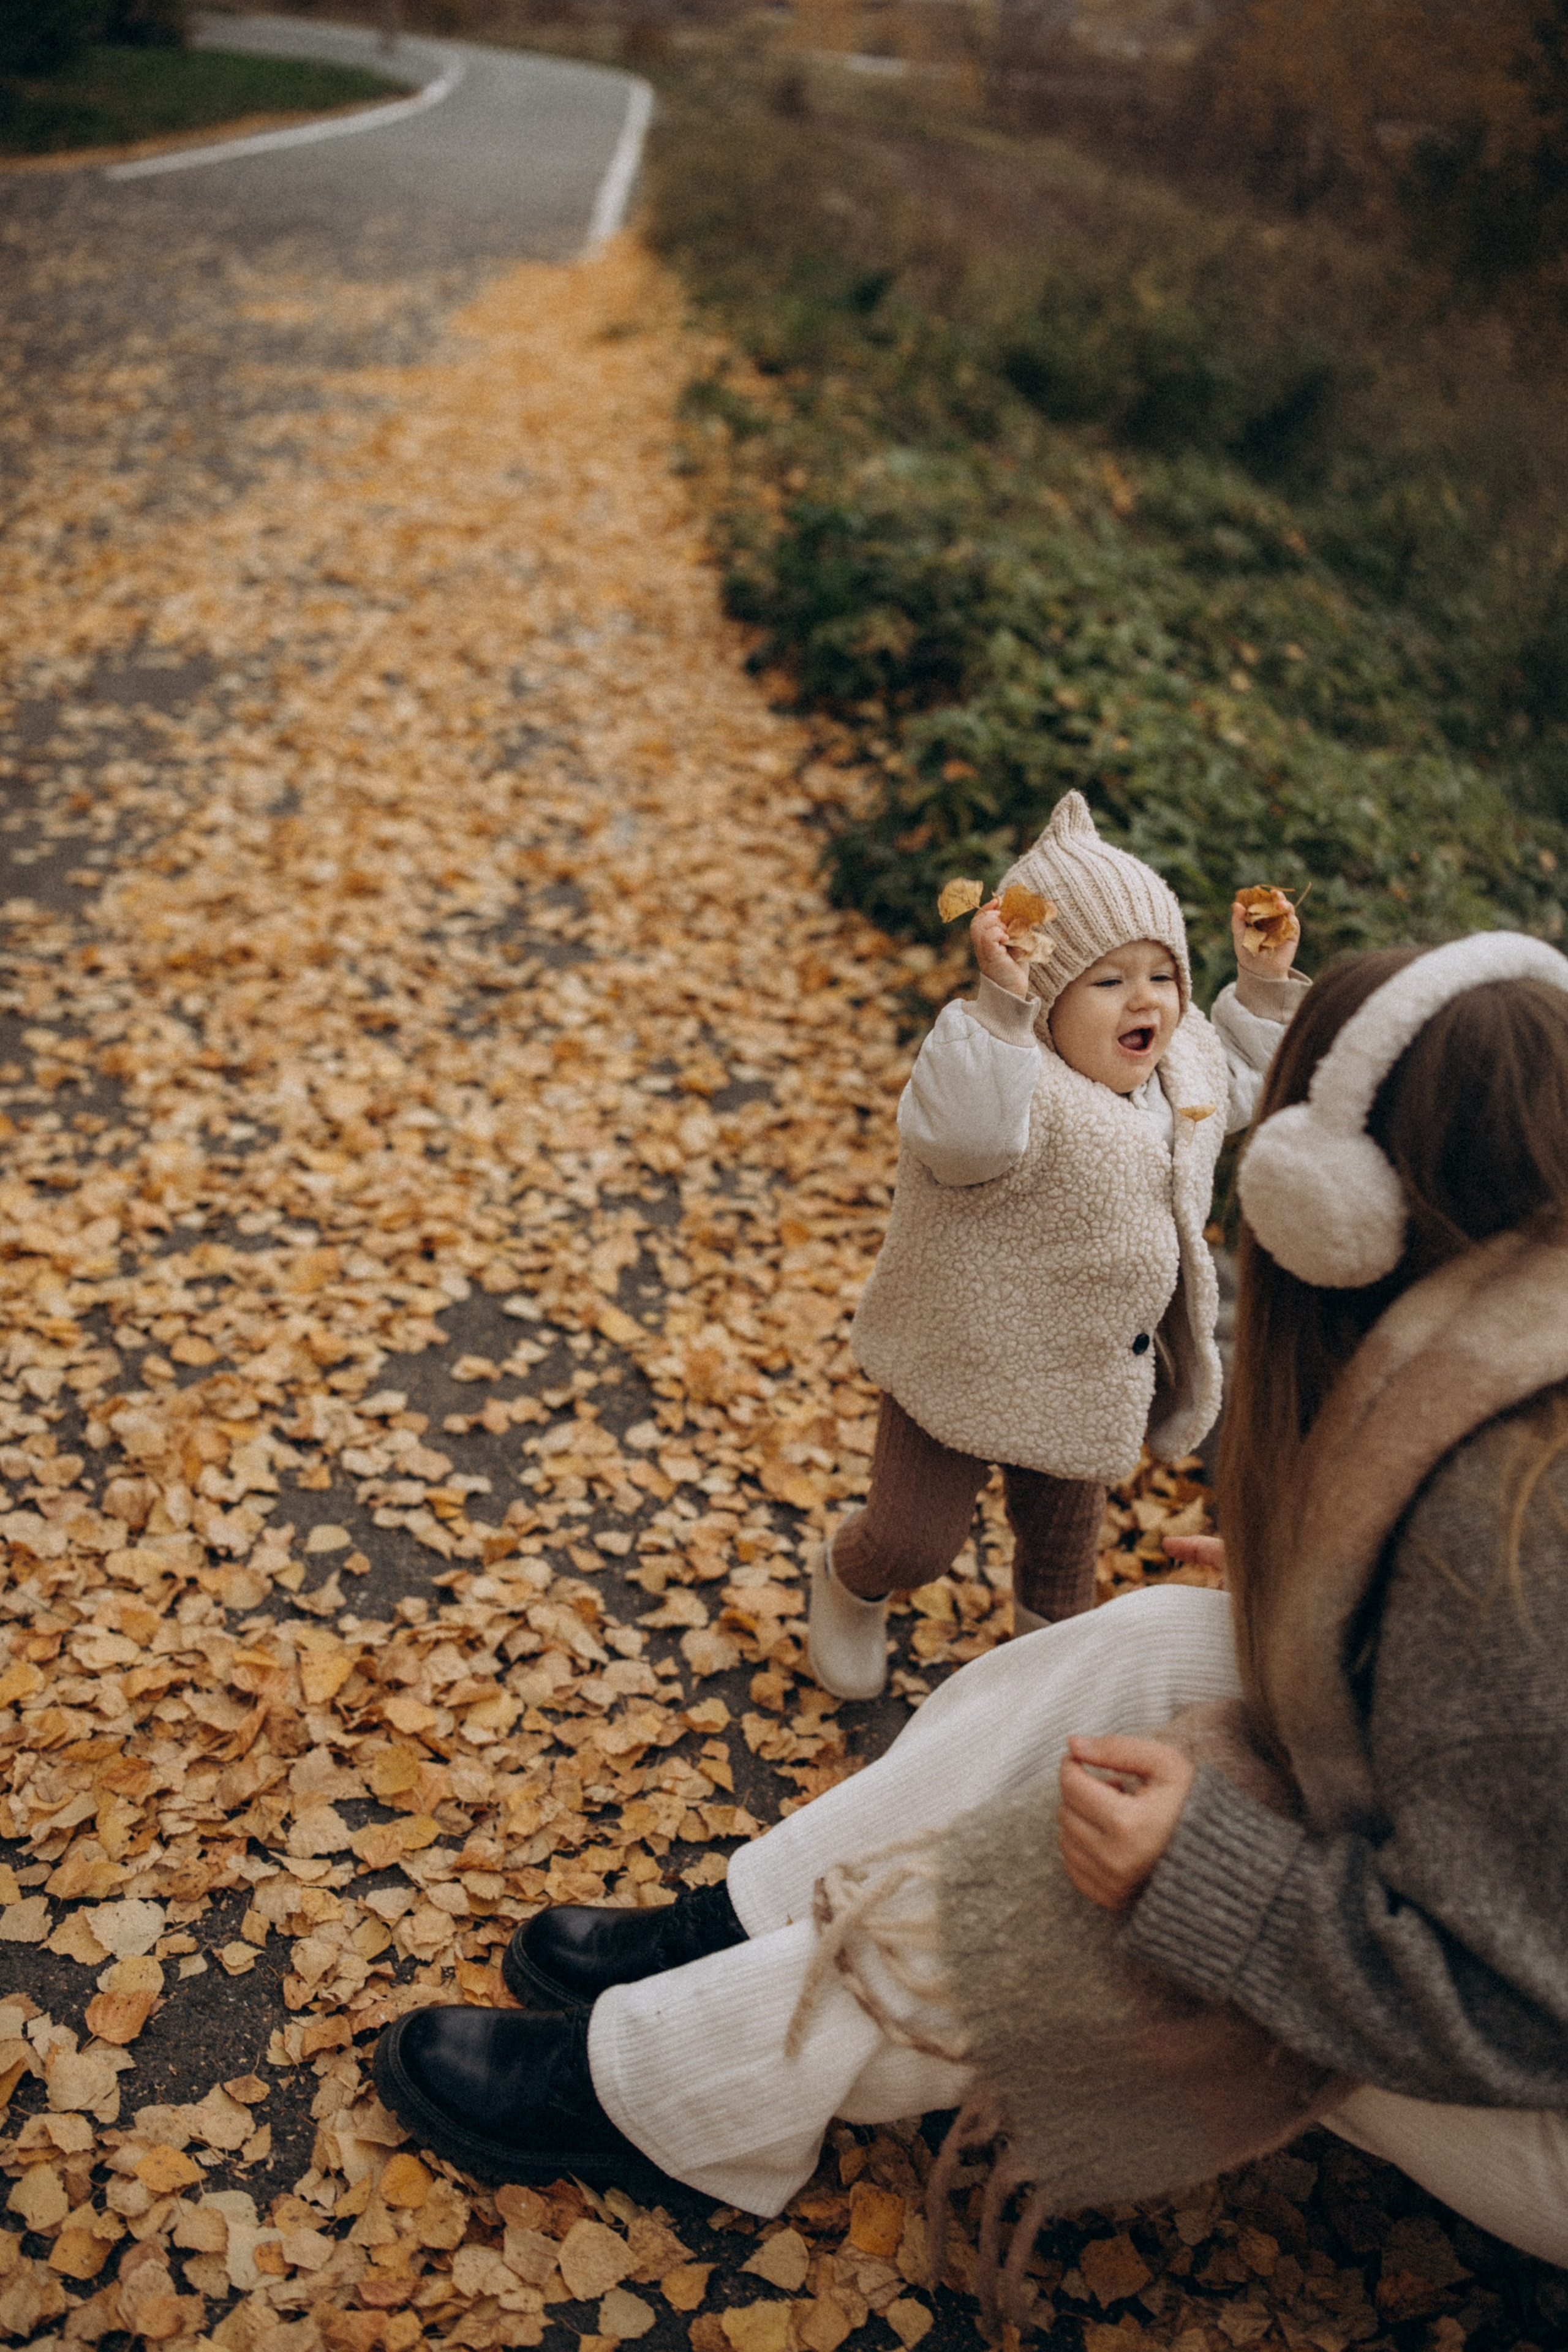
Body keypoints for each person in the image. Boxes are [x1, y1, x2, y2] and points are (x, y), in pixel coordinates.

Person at [374, 930, 1568, 2302]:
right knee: (1156, 1643)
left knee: (1112, 1864)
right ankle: (757, 1921)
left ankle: (682, 2087)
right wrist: (1353, 1589)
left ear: (1330, 1200)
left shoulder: (1509, 1536)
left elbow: (1519, 1999)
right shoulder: (1502, 1404)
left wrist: (1224, 1885)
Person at [807, 789, 1306, 1699]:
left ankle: (1031, 1704)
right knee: (913, 1541)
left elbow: (1244, 1074)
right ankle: (849, 1578)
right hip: (962, 1354)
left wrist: (1265, 985)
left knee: (1062, 1575)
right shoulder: (1008, 1079)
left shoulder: (1182, 1067)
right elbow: (959, 1135)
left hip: (1086, 1375)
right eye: (1108, 982)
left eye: (1161, 976)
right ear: (1045, 997)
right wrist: (1000, 1006)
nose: (1143, 1000)